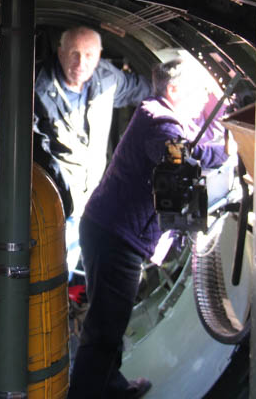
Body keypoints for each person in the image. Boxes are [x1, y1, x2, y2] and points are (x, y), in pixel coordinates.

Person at [67, 58, 231, 399]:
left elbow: (198, 133)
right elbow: (183, 157)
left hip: (107, 230)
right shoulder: (161, 125)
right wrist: (225, 153)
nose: (203, 99)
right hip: (116, 238)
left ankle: (110, 387)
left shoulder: (155, 111)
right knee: (104, 328)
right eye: (198, 92)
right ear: (173, 90)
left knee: (109, 321)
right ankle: (85, 394)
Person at [33, 26, 151, 272]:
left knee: (79, 263)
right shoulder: (36, 87)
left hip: (95, 197)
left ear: (99, 55)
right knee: (53, 269)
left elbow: (139, 89)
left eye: (89, 55)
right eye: (74, 53)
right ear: (60, 52)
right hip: (55, 200)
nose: (81, 63)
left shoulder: (106, 78)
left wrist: (174, 86)